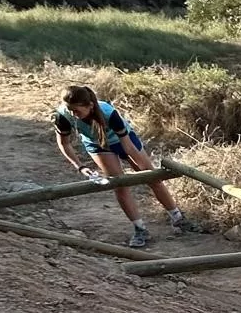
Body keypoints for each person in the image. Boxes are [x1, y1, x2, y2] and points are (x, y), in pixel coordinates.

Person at [52, 84, 190, 249]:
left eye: (77, 111)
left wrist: (144, 169)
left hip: (123, 140)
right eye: (70, 110)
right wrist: (80, 167)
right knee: (120, 185)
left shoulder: (108, 113)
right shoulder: (63, 116)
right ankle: (140, 229)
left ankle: (178, 218)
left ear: (90, 106)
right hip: (97, 145)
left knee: (153, 178)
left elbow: (128, 147)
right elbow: (64, 144)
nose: (74, 115)